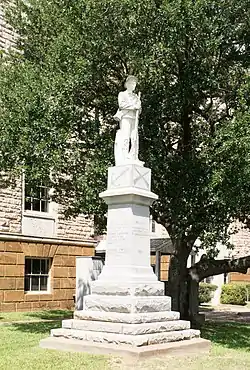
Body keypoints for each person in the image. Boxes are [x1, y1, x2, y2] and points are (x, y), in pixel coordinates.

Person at [114, 75, 141, 165]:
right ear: (127, 84)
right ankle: (124, 156)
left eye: (134, 83)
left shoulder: (136, 97)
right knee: (125, 137)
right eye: (131, 83)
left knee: (134, 137)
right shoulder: (122, 94)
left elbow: (139, 110)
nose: (133, 85)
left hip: (134, 118)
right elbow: (122, 105)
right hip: (126, 117)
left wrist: (139, 107)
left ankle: (133, 156)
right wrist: (134, 107)